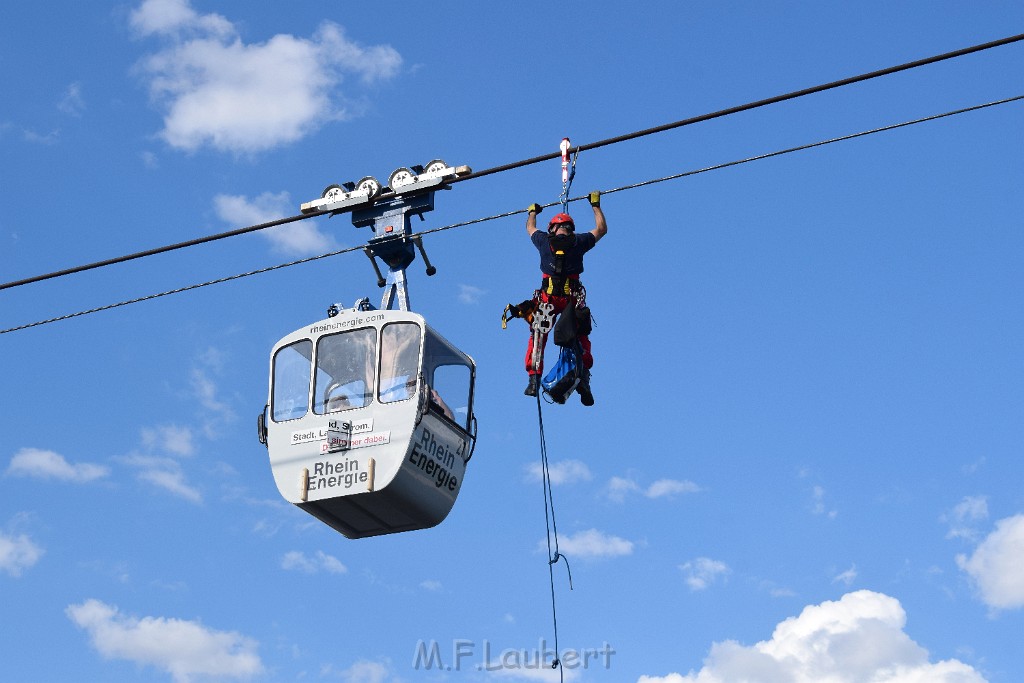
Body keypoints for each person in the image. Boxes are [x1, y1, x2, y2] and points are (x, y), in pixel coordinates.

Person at [523, 191, 607, 405]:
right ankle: (583, 380)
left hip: (548, 299)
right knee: (580, 338)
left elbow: (530, 228)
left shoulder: (544, 240)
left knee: (538, 336)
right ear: (570, 229)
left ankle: (534, 378)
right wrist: (595, 205)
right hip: (572, 299)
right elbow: (601, 230)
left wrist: (533, 212)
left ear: (552, 228)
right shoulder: (578, 241)